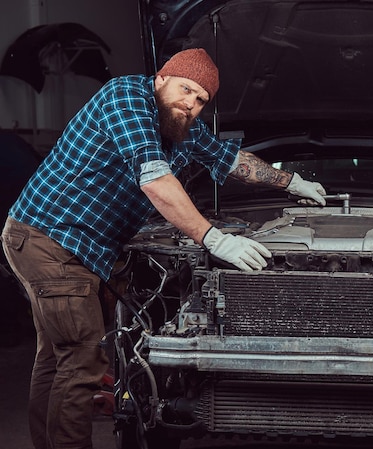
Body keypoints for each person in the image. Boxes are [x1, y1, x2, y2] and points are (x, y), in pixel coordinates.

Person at [1, 48, 326, 449]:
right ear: (161, 78)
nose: (190, 103)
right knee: (83, 358)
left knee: (56, 357)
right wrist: (213, 238)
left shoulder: (182, 127)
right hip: (48, 238)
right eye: (186, 88)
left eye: (201, 99)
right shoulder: (126, 98)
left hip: (77, 245)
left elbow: (230, 160)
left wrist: (291, 182)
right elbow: (154, 178)